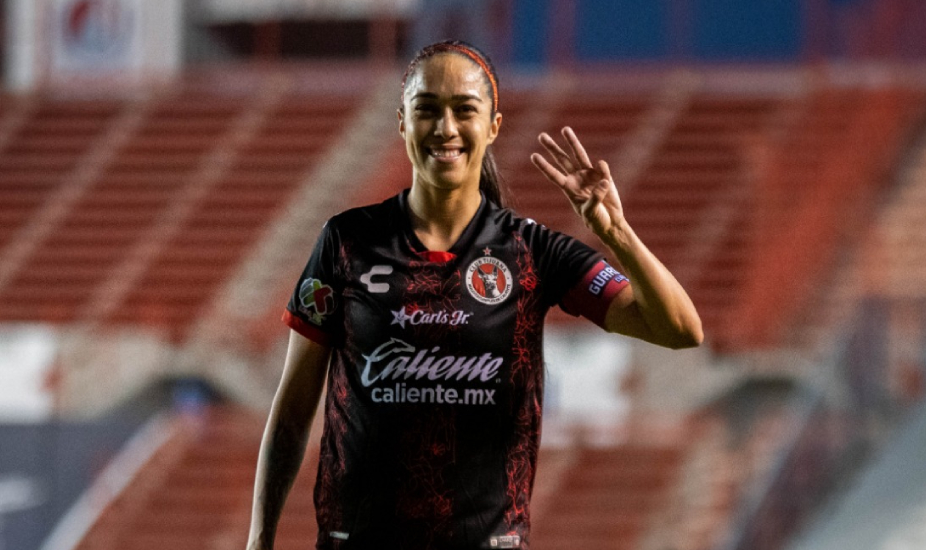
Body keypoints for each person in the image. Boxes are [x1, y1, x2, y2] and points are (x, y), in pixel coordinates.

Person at [247, 40, 702, 550]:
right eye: (427, 111)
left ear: (493, 126)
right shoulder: (346, 241)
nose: (445, 129)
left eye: (465, 110)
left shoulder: (533, 251)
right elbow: (291, 410)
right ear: (402, 123)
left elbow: (680, 330)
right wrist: (258, 540)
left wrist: (617, 232)